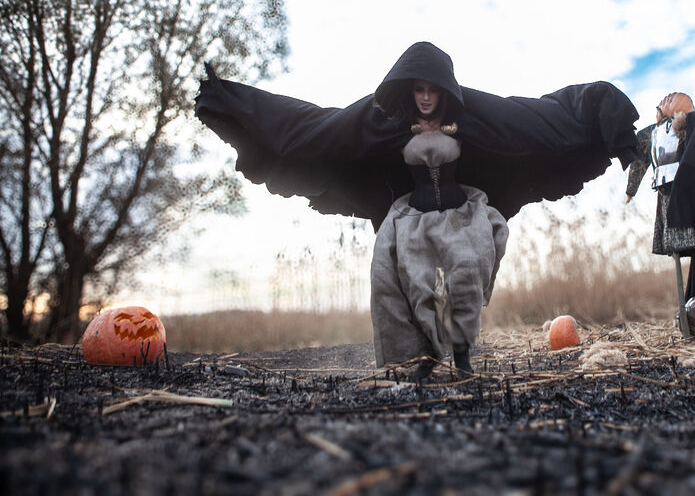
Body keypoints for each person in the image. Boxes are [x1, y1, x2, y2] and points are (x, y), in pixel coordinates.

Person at [195, 41, 640, 377]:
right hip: (407, 217)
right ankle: (405, 363)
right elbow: (316, 126)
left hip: (462, 212)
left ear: (445, 90)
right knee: (390, 281)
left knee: (472, 266)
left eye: (433, 90)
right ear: (408, 90)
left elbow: (538, 120)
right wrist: (232, 102)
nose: (425, 98)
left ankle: (461, 358)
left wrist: (614, 128)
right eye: (418, 90)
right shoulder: (381, 120)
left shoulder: (473, 116)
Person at [625, 92, 695, 329]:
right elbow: (639, 155)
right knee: (678, 252)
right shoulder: (654, 132)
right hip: (667, 197)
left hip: (689, 197)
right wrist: (631, 189)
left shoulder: (693, 127)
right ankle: (690, 315)